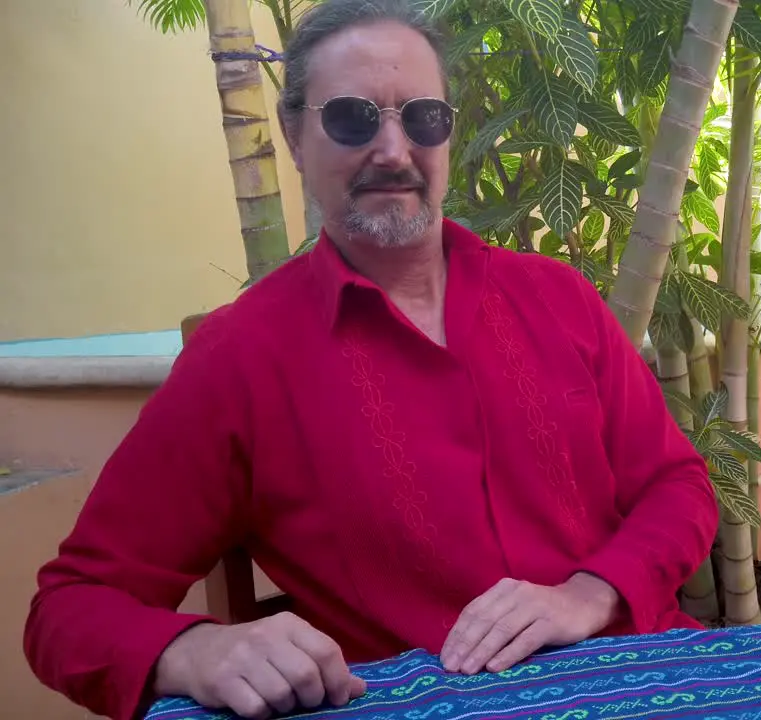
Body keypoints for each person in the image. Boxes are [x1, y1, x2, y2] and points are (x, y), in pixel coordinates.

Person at [22, 1, 719, 718]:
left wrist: (589, 594)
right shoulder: (239, 360)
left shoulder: (558, 299)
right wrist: (192, 650)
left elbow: (679, 486)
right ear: (294, 134)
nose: (394, 149)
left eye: (422, 118)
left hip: (652, 673)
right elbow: (69, 610)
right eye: (354, 118)